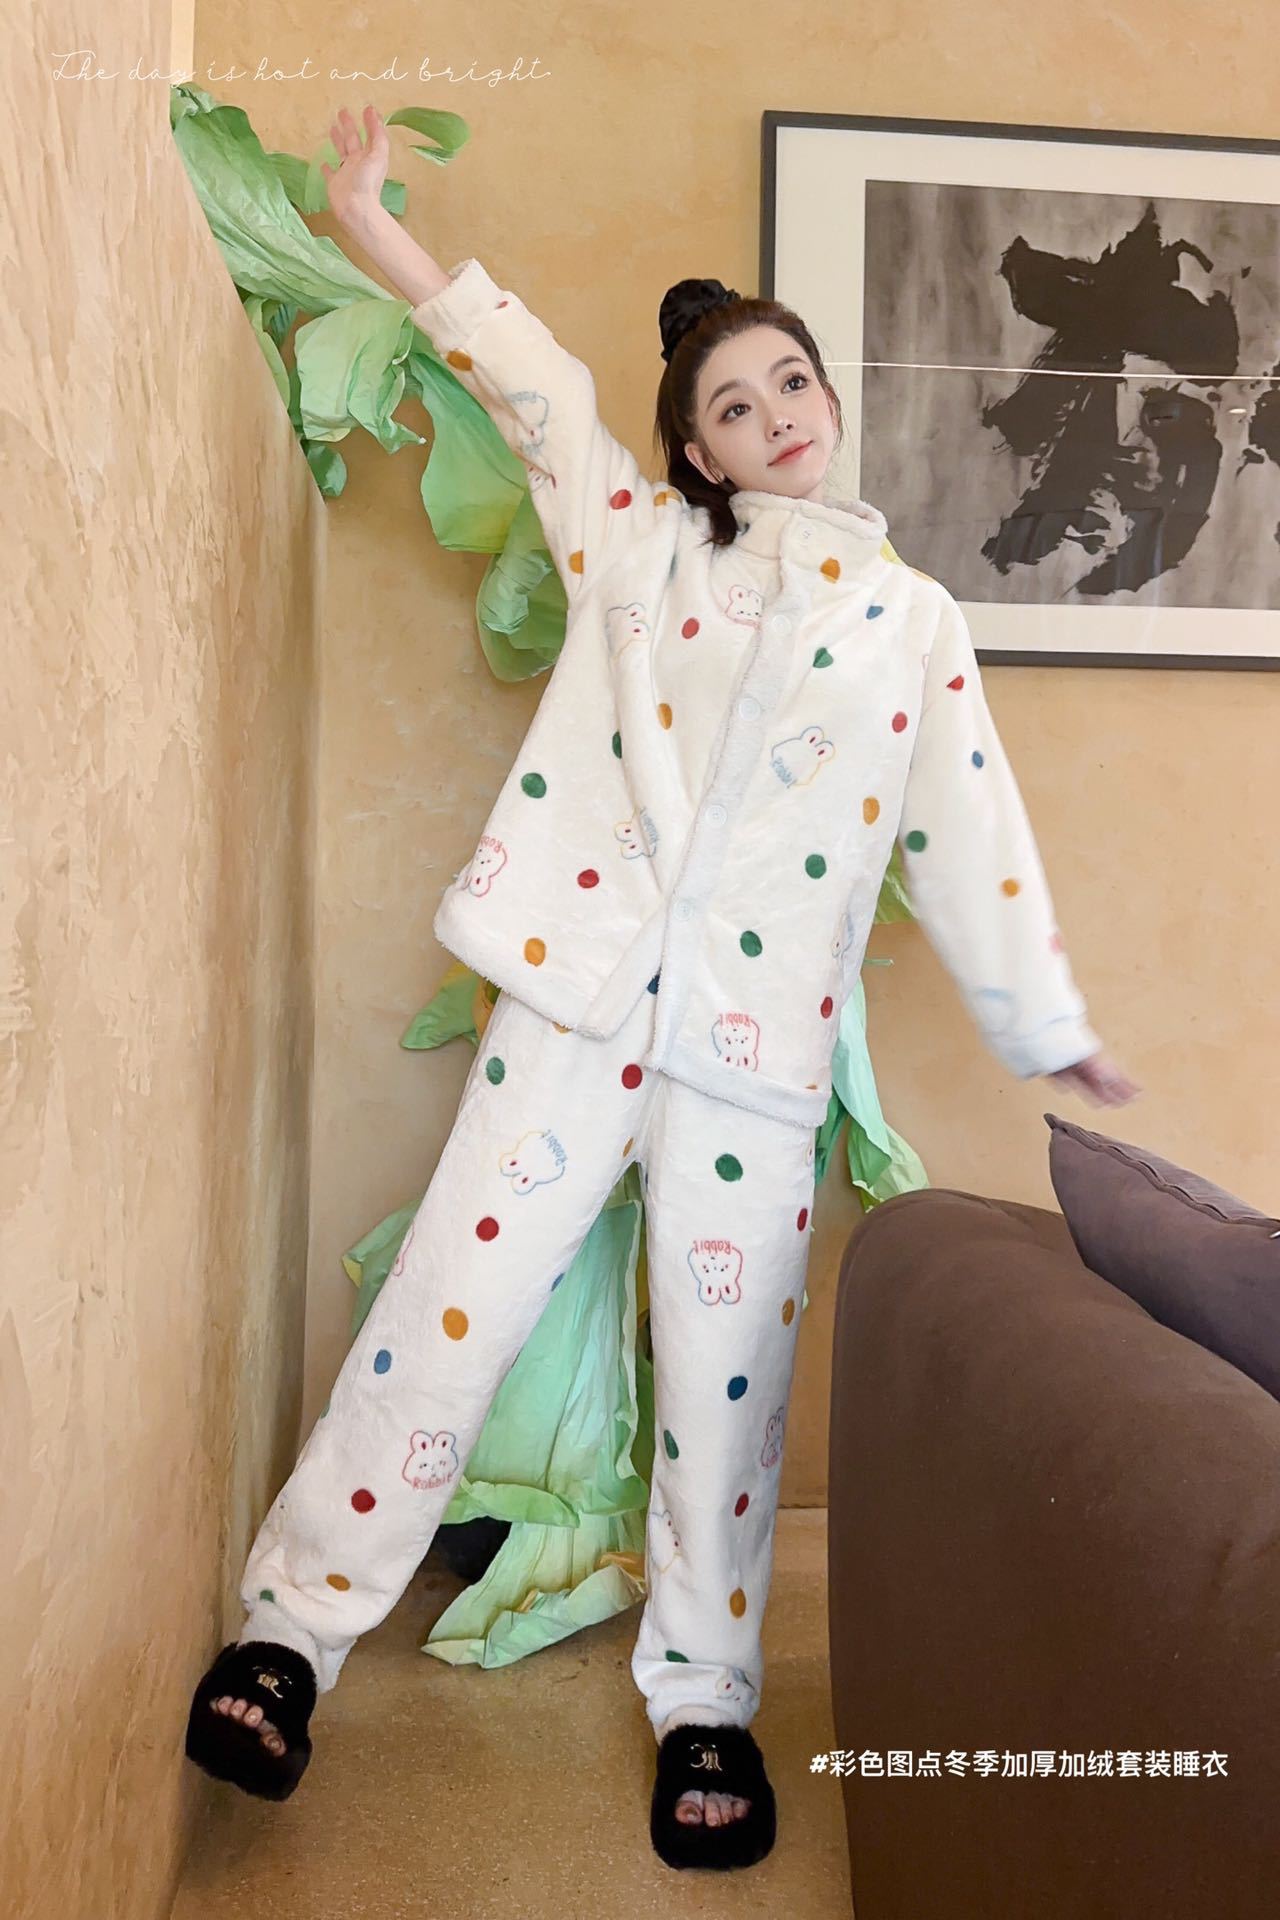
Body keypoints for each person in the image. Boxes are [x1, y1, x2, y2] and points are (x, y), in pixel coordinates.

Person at [184, 104, 1142, 1871]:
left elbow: (970, 832)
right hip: (575, 1004)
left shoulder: (913, 625)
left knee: (726, 1383)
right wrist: (369, 223)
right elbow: (529, 381)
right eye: (735, 407)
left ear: (828, 400)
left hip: (753, 1059)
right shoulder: (635, 550)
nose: (776, 417)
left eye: (792, 386)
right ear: (696, 452)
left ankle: (705, 1704)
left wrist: (1046, 1025)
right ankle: (287, 1639)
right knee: (447, 1317)